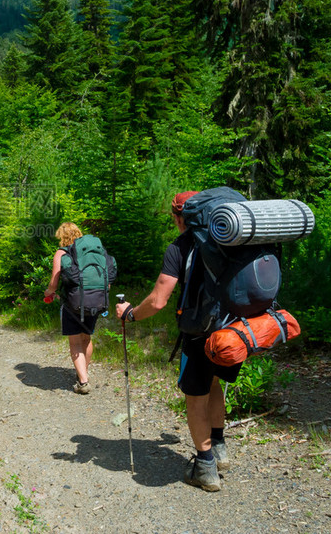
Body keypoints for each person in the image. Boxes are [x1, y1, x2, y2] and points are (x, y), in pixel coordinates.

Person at [115, 191, 241, 492]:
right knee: (213, 385)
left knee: (196, 398)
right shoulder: (227, 240)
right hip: (233, 329)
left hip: (200, 333)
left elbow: (158, 300)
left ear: (178, 217)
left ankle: (206, 467)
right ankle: (220, 449)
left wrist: (130, 314)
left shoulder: (180, 247)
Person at [44, 222, 96, 395]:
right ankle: (83, 372)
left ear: (61, 236)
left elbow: (54, 282)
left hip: (72, 302)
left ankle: (83, 381)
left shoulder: (61, 253)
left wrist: (49, 292)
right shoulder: (90, 251)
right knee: (86, 338)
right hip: (94, 299)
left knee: (75, 341)